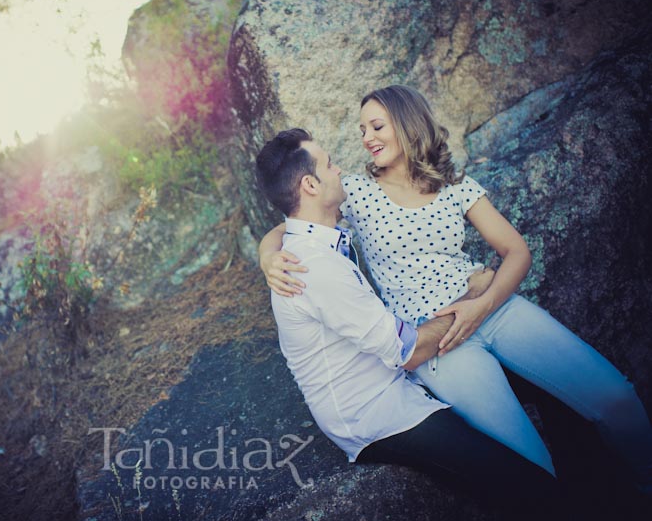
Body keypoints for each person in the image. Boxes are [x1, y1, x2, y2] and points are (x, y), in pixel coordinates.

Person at [259, 85, 652, 493]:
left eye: (376, 126)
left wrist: (483, 304)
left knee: (616, 399)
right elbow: (293, 223)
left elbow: (516, 250)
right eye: (362, 130)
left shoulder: (456, 184)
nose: (366, 138)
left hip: (495, 311)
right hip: (439, 344)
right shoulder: (356, 192)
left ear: (408, 124)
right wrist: (267, 256)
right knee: (529, 462)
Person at [254, 128, 556, 509]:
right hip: (376, 414)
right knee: (530, 484)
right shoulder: (314, 267)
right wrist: (474, 297)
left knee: (550, 390)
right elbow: (407, 350)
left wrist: (265, 251)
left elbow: (285, 228)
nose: (340, 169)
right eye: (330, 164)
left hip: (394, 377)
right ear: (311, 185)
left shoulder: (318, 237)